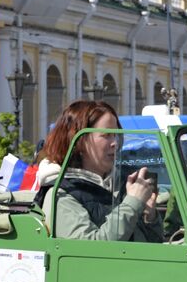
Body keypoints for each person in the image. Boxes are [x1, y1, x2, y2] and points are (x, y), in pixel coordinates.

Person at [36, 100, 162, 242]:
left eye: (116, 135)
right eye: (106, 135)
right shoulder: (60, 194)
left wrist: (149, 216)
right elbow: (93, 249)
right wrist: (132, 204)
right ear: (79, 142)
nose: (114, 143)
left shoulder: (120, 186)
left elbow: (153, 247)